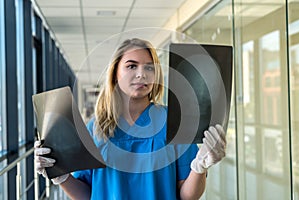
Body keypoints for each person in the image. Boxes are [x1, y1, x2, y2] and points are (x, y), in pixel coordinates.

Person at [34, 38, 226, 200]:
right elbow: (87, 194)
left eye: (149, 68)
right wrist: (60, 175)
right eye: (131, 66)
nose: (141, 74)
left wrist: (200, 167)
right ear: (116, 73)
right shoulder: (95, 128)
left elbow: (187, 195)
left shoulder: (175, 122)